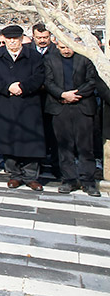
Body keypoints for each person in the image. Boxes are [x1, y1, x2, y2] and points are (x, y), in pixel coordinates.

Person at [0, 25, 46, 191]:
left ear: (21, 39)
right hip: (5, 102)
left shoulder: (33, 56)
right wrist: (7, 87)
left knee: (30, 140)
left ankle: (30, 176)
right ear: (4, 40)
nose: (12, 43)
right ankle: (14, 175)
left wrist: (23, 87)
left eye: (16, 39)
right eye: (9, 40)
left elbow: (39, 76)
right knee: (8, 139)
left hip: (28, 102)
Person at [45, 38, 101, 196]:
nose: (65, 50)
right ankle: (69, 179)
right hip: (60, 106)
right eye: (62, 47)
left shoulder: (85, 58)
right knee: (64, 146)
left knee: (85, 146)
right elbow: (48, 82)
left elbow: (92, 81)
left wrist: (75, 95)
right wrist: (62, 94)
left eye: (68, 47)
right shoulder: (50, 59)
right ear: (57, 46)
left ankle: (88, 181)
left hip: (82, 106)